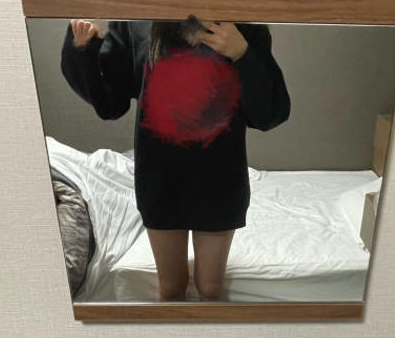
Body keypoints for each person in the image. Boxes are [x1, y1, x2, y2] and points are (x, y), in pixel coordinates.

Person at [60, 16, 290, 302]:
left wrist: (242, 53)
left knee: (211, 288)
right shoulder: (137, 21)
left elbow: (269, 114)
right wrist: (82, 51)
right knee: (171, 289)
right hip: (160, 180)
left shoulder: (241, 24)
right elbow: (111, 104)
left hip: (220, 180)